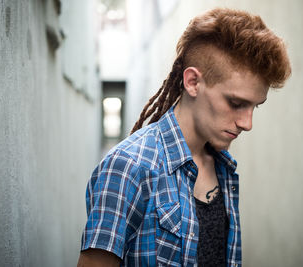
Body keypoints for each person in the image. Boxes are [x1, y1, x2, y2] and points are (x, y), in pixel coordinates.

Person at [77, 8, 291, 267]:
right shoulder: (128, 167)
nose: (247, 123)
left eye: (255, 106)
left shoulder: (224, 167)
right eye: (236, 103)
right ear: (192, 82)